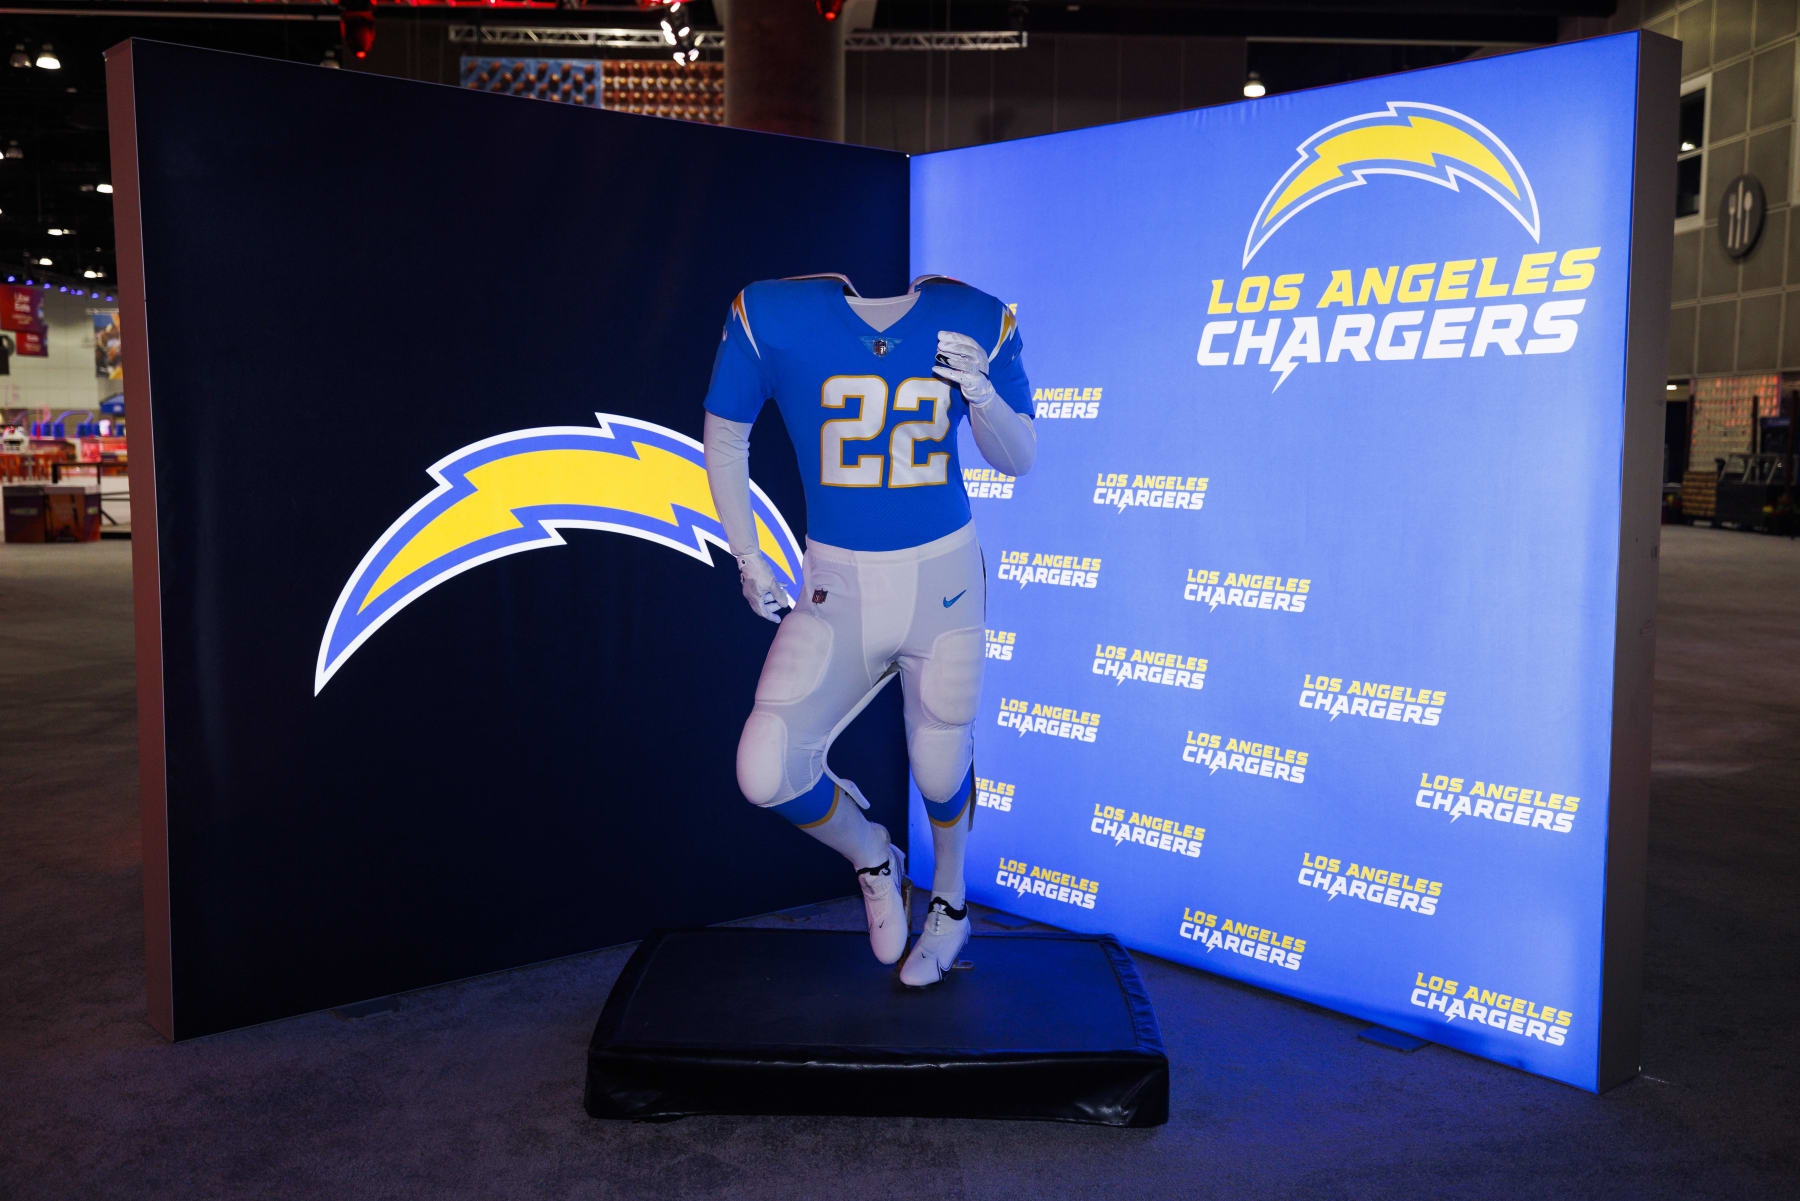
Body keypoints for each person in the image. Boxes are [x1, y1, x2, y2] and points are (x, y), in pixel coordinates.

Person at [702, 272, 1035, 986]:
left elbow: (1019, 456)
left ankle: (950, 898)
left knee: (943, 760)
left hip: (941, 581)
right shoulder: (771, 313)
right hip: (838, 585)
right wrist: (747, 552)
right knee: (765, 768)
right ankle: (873, 855)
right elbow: (726, 434)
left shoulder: (973, 314)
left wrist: (982, 396)